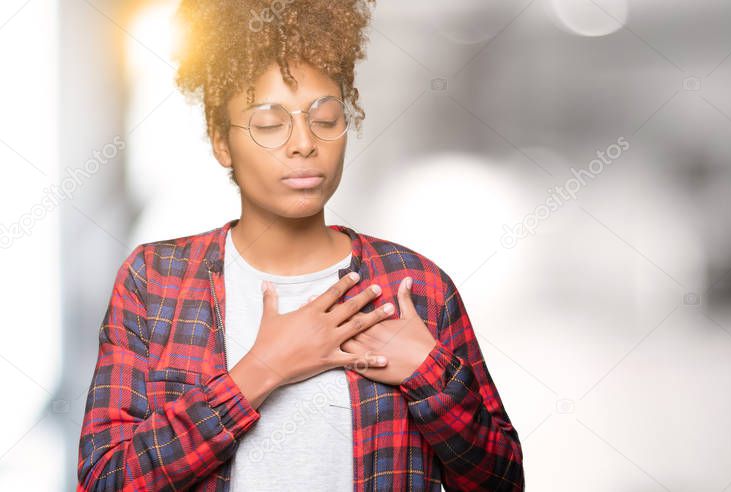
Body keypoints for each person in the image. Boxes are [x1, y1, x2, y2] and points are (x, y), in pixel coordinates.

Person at [75, 1, 524, 490]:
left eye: (326, 119)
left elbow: (502, 481)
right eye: (269, 124)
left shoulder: (414, 287)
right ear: (221, 141)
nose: (304, 143)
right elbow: (105, 481)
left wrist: (429, 375)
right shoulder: (155, 279)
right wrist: (262, 370)